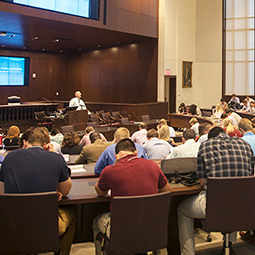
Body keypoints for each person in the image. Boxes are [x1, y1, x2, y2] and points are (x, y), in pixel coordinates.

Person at [177, 127, 254, 255]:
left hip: (215, 206)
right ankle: (229, 243)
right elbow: (249, 177)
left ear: (210, 138)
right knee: (235, 193)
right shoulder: (245, 145)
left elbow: (202, 183)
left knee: (181, 210)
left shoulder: (205, 146)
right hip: (244, 207)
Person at [0, 128, 76, 255]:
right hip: (46, 227)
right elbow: (66, 191)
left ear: (24, 143)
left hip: (14, 226)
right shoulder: (56, 158)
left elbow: (2, 192)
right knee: (72, 215)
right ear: (45, 145)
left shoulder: (8, 158)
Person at [92, 138, 171, 255]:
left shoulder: (110, 171)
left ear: (116, 155)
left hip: (122, 231)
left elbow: (100, 191)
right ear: (136, 153)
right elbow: (167, 191)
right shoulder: (153, 166)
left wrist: (115, 164)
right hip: (151, 228)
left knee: (96, 221)